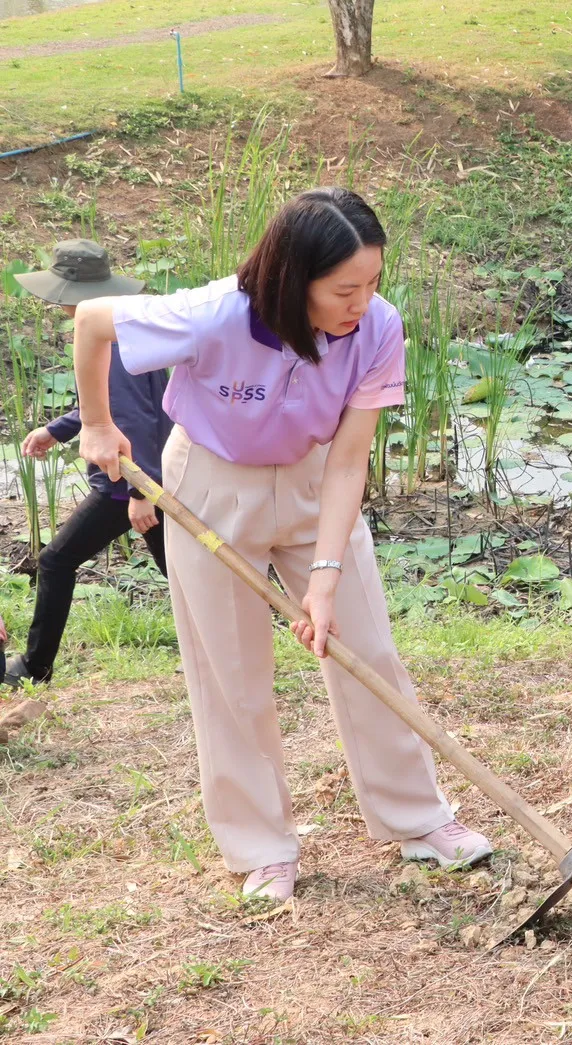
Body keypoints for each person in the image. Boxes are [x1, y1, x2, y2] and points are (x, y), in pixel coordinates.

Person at [71, 187, 491, 903]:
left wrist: (324, 578)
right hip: (209, 481)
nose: (362, 302)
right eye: (344, 289)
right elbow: (91, 318)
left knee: (367, 650)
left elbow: (349, 459)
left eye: (373, 283)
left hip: (311, 479)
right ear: (294, 279)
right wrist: (96, 423)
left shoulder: (377, 329)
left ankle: (417, 818)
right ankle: (261, 845)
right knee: (230, 673)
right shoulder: (214, 315)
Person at [4, 241, 171, 689]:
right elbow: (104, 406)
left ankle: (34, 667)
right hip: (149, 474)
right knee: (179, 567)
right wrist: (55, 430)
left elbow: (134, 417)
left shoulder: (109, 340)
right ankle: (244, 629)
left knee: (57, 561)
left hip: (128, 481)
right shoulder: (125, 328)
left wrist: (140, 493)